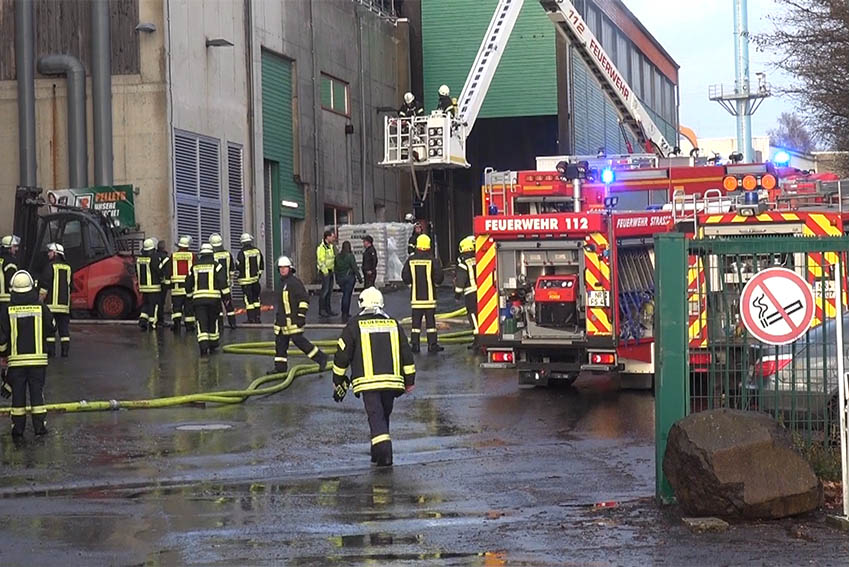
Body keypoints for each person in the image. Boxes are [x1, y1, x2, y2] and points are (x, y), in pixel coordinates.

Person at [332, 287, 415, 467]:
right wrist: (410, 381)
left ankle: (384, 454)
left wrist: (338, 381)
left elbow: (342, 356)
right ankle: (376, 451)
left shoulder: (354, 325)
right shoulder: (393, 324)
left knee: (376, 416)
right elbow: (406, 354)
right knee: (384, 415)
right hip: (392, 382)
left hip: (368, 383)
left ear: (362, 304)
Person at [0, 270, 55, 437]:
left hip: (16, 362)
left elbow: (2, 338)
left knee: (18, 396)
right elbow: (52, 327)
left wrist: (3, 356)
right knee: (37, 394)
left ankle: (18, 429)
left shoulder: (7, 310)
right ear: (32, 287)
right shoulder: (41, 307)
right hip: (38, 361)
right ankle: (40, 427)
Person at [273, 256, 329, 374]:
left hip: (294, 320)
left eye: (285, 267)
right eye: (280, 268)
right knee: (280, 344)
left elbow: (304, 300)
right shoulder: (281, 283)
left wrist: (301, 316)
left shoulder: (294, 283)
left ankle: (321, 358)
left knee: (299, 341)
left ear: (290, 268)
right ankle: (280, 368)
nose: (282, 270)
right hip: (282, 322)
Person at [185, 244, 231, 356]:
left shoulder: (194, 267)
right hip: (213, 300)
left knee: (201, 323)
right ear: (211, 253)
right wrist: (227, 298)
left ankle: (203, 348)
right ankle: (213, 344)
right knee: (213, 321)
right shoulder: (217, 266)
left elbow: (188, 283)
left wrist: (190, 295)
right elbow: (222, 282)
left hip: (198, 300)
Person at [401, 234, 444, 353]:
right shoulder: (432, 260)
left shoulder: (411, 260)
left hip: (416, 298)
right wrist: (435, 284)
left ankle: (415, 345)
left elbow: (405, 276)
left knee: (415, 324)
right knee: (430, 323)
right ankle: (432, 345)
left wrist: (411, 285)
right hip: (430, 298)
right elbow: (439, 277)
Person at [38, 243, 72, 357]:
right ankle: (65, 352)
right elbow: (70, 286)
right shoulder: (68, 268)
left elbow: (44, 286)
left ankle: (51, 352)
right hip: (64, 307)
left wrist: (40, 301)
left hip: (51, 306)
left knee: (50, 329)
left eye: (50, 252)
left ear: (56, 253)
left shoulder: (50, 266)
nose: (48, 254)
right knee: (64, 331)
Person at [163, 235, 196, 333]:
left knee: (176, 307)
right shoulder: (192, 256)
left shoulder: (173, 256)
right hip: (189, 287)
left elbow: (168, 271)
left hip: (176, 287)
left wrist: (168, 285)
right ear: (188, 246)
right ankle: (189, 326)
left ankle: (176, 325)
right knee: (188, 307)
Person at [454, 235, 479, 348]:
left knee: (473, 315)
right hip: (481, 292)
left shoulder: (463, 264)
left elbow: (460, 282)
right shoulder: (479, 259)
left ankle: (478, 340)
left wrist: (457, 295)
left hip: (470, 293)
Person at [136, 238, 164, 332]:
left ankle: (142, 320)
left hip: (143, 287)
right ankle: (153, 323)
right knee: (155, 305)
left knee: (146, 304)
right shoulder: (154, 258)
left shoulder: (139, 259)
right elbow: (159, 270)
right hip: (154, 287)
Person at [209, 233, 237, 330]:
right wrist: (231, 281)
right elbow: (232, 270)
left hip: (216, 285)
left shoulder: (212, 256)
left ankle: (220, 324)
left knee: (218, 305)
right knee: (228, 304)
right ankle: (233, 323)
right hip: (226, 284)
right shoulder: (228, 254)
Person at [235, 233, 264, 323]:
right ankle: (258, 318)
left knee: (249, 301)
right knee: (256, 299)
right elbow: (261, 265)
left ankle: (251, 319)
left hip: (245, 281)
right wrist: (258, 276)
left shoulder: (242, 253)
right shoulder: (257, 251)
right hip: (255, 280)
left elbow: (238, 265)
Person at [334, 241, 362, 322]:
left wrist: (337, 279)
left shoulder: (337, 257)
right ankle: (345, 312)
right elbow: (354, 268)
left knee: (344, 295)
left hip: (340, 278)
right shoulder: (350, 256)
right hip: (349, 278)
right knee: (347, 295)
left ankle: (344, 312)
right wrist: (359, 278)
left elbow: (335, 269)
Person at [317, 230, 337, 318]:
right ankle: (321, 310)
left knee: (329, 291)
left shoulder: (331, 247)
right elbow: (321, 261)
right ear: (327, 237)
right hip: (325, 272)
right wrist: (325, 272)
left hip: (330, 271)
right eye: (332, 236)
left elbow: (332, 259)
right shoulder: (321, 248)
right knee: (324, 291)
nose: (333, 238)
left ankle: (328, 309)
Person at [0, 235, 21, 306]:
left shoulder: (1, 260)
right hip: (6, 298)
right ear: (8, 248)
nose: (16, 249)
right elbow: (11, 281)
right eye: (14, 246)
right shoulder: (10, 262)